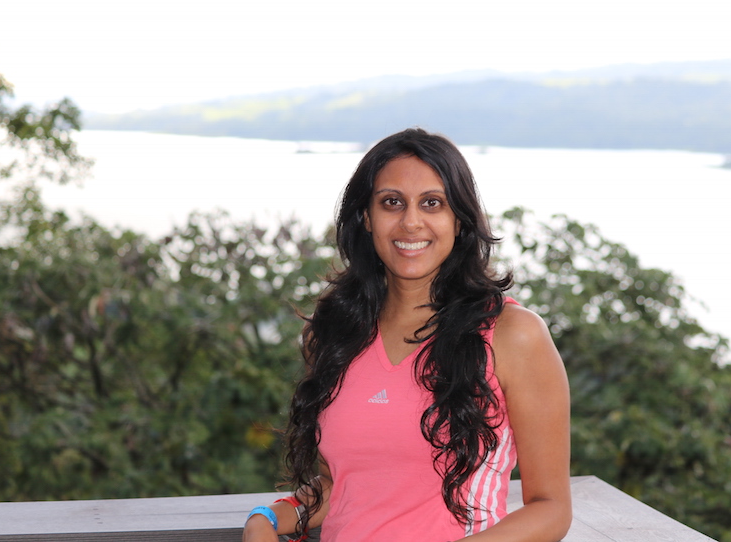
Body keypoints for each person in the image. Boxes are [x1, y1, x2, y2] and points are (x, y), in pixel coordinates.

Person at [243, 128, 571, 542]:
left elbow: (551, 509)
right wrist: (267, 518)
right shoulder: (335, 334)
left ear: (459, 219)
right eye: (392, 202)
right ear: (366, 217)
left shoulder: (511, 334)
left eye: (432, 203)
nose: (411, 222)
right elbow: (339, 486)